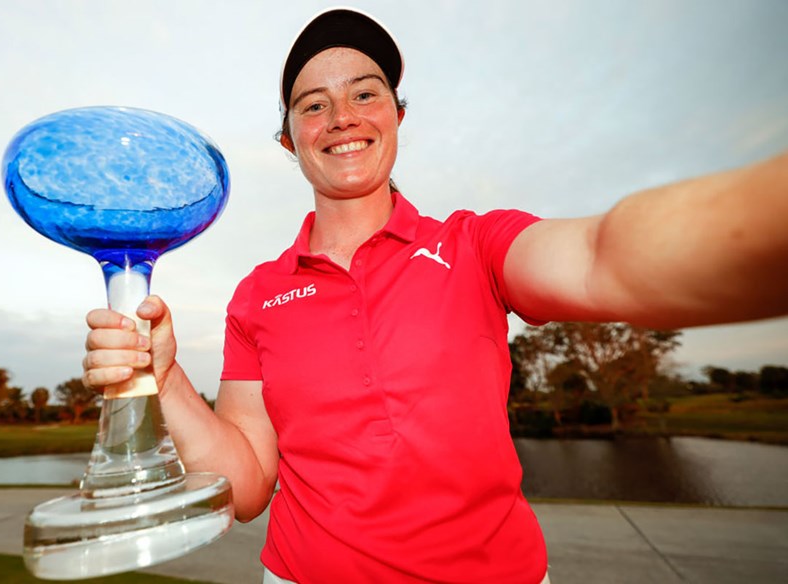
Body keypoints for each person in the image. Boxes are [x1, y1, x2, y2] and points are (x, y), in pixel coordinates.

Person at [82, 8, 788, 584]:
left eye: (365, 92)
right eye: (313, 105)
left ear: (396, 114)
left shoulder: (474, 245)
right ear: (289, 139)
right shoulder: (258, 295)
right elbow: (244, 490)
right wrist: (163, 377)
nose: (342, 117)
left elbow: (610, 256)